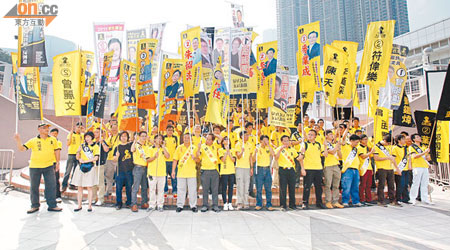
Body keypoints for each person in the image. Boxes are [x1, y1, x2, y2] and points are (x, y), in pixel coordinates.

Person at [14, 123, 63, 213]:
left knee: (51, 186)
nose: (47, 130)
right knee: (34, 187)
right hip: (35, 167)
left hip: (49, 166)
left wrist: (57, 163)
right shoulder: (33, 141)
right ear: (39, 129)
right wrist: (18, 140)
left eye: (48, 128)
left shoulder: (53, 140)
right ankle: (35, 205)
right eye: (44, 128)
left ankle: (52, 205)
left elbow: (57, 151)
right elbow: (22, 149)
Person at [72, 131, 100, 212]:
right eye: (86, 137)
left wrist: (86, 161)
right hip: (81, 167)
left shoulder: (95, 146)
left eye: (88, 137)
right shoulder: (82, 145)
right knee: (79, 187)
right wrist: (78, 154)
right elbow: (77, 156)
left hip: (90, 167)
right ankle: (79, 205)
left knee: (89, 187)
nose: (87, 138)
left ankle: (90, 206)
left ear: (92, 137)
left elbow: (96, 158)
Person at [299, 129, 327, 209]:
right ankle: (305, 203)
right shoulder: (304, 145)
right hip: (308, 168)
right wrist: (302, 168)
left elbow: (325, 154)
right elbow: (300, 158)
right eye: (309, 134)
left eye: (312, 134)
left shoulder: (318, 144)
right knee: (307, 186)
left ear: (315, 136)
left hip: (318, 168)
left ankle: (319, 203)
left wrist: (325, 146)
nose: (310, 136)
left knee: (318, 187)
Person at [172, 133, 199, 213]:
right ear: (183, 138)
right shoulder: (179, 147)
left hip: (191, 173)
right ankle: (180, 205)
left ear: (191, 139)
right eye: (185, 137)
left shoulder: (194, 148)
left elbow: (199, 160)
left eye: (188, 138)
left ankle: (193, 205)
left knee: (192, 190)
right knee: (181, 190)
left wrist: (195, 158)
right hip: (181, 173)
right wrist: (173, 170)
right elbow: (175, 160)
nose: (186, 139)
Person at [275, 135, 300, 211]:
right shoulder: (279, 149)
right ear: (282, 141)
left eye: (288, 140)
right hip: (283, 170)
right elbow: (276, 158)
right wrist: (280, 150)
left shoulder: (292, 149)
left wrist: (302, 153)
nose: (286, 142)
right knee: (283, 188)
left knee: (292, 187)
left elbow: (298, 158)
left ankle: (292, 205)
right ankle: (283, 205)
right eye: (285, 141)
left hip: (291, 170)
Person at [374, 134, 399, 206]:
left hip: (390, 168)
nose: (388, 144)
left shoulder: (389, 147)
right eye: (388, 143)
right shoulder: (376, 147)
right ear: (384, 140)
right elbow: (376, 158)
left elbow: (393, 158)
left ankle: (392, 200)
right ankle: (380, 201)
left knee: (391, 185)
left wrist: (396, 168)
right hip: (381, 168)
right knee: (381, 185)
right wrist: (387, 158)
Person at [197, 134, 221, 212]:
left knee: (215, 189)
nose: (207, 140)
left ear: (212, 140)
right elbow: (198, 156)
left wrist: (214, 134)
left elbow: (220, 138)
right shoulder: (203, 146)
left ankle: (215, 205)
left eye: (209, 139)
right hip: (205, 170)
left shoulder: (215, 145)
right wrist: (198, 148)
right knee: (205, 189)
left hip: (214, 170)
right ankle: (205, 205)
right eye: (207, 139)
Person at [147, 134, 170, 212]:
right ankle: (152, 205)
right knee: (152, 189)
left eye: (161, 139)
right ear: (154, 140)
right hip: (152, 172)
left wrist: (163, 147)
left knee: (161, 190)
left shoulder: (164, 149)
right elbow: (147, 159)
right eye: (157, 138)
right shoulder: (150, 149)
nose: (159, 140)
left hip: (161, 172)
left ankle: (160, 205)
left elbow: (168, 156)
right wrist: (154, 157)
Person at [409, 134, 433, 205]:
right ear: (413, 139)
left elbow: (427, 158)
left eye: (419, 137)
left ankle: (425, 199)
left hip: (424, 166)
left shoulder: (423, 147)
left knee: (424, 183)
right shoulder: (412, 147)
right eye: (417, 137)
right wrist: (424, 152)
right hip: (417, 166)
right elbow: (414, 156)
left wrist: (428, 154)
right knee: (416, 183)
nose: (419, 138)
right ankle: (412, 199)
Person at [252, 135, 274, 210]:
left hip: (267, 169)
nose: (265, 142)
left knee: (268, 188)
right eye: (264, 140)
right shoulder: (257, 148)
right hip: (259, 169)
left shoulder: (268, 148)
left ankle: (269, 204)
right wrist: (255, 153)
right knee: (259, 188)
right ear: (260, 141)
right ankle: (259, 204)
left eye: (266, 140)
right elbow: (253, 160)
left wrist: (268, 145)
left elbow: (273, 154)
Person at [130, 131, 150, 212]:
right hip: (138, 168)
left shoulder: (146, 146)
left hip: (145, 168)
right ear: (139, 136)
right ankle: (134, 204)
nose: (144, 138)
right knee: (136, 187)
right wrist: (135, 140)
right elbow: (132, 150)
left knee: (144, 187)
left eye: (145, 136)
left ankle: (144, 202)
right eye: (142, 136)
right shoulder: (136, 145)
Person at [323, 130, 343, 208]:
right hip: (328, 166)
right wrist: (336, 146)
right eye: (330, 134)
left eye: (332, 134)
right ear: (326, 136)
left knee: (336, 185)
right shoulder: (325, 144)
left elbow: (341, 156)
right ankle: (328, 201)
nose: (332, 135)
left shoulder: (334, 144)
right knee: (328, 184)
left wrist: (338, 148)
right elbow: (331, 152)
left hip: (336, 165)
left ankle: (335, 201)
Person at [114, 131, 134, 210]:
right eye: (122, 136)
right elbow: (114, 160)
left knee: (129, 187)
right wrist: (117, 156)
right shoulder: (117, 147)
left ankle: (128, 202)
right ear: (120, 138)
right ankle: (119, 203)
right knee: (118, 188)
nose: (124, 137)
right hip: (120, 170)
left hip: (129, 170)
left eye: (125, 136)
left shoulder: (130, 146)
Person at [340, 134, 362, 207]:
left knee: (355, 186)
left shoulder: (356, 149)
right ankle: (345, 201)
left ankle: (355, 201)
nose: (357, 144)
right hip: (348, 169)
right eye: (356, 142)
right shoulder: (345, 146)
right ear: (351, 141)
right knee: (346, 186)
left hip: (356, 169)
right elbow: (343, 139)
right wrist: (347, 128)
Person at [235, 131, 254, 210]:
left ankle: (246, 202)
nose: (247, 136)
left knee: (246, 185)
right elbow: (238, 156)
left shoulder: (250, 145)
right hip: (239, 167)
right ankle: (239, 202)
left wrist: (251, 167)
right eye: (245, 135)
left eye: (247, 135)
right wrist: (242, 151)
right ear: (241, 136)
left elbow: (250, 157)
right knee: (240, 185)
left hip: (247, 167)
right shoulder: (238, 144)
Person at [62, 122, 83, 193]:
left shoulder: (82, 136)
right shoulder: (70, 134)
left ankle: (72, 184)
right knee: (68, 171)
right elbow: (68, 144)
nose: (79, 129)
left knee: (75, 171)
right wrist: (71, 135)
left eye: (80, 128)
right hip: (71, 154)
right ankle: (64, 185)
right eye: (78, 127)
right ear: (75, 127)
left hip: (78, 155)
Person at [92, 127, 109, 206]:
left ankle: (100, 199)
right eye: (95, 132)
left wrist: (102, 142)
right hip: (92, 164)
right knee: (93, 183)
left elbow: (106, 150)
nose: (96, 134)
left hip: (100, 164)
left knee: (100, 182)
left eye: (98, 132)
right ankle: (92, 198)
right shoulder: (92, 142)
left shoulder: (103, 142)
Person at [392, 134, 411, 204]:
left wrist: (409, 166)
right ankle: (398, 199)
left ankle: (406, 198)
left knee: (406, 184)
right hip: (399, 169)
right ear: (399, 140)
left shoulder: (405, 148)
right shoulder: (395, 148)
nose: (404, 140)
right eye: (403, 139)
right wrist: (397, 168)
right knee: (400, 185)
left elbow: (408, 158)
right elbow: (393, 159)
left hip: (405, 169)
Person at [219, 136, 236, 211]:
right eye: (225, 139)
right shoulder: (220, 150)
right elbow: (223, 159)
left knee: (231, 188)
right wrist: (226, 151)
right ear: (222, 142)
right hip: (224, 172)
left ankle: (230, 203)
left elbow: (233, 160)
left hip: (231, 171)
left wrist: (229, 152)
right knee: (224, 188)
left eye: (228, 139)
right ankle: (225, 203)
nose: (226, 141)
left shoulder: (233, 150)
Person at [358, 134, 375, 205]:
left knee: (369, 185)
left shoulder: (367, 148)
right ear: (361, 140)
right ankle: (361, 199)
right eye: (364, 139)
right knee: (363, 185)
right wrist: (370, 152)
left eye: (366, 139)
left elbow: (370, 157)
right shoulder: (359, 147)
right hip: (363, 168)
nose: (366, 141)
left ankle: (368, 199)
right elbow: (363, 156)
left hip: (369, 167)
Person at [104, 124, 120, 198]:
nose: (114, 130)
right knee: (108, 176)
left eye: (115, 128)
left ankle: (118, 193)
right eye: (112, 128)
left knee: (118, 176)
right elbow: (106, 146)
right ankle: (108, 191)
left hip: (118, 159)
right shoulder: (110, 138)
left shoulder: (120, 137)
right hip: (109, 158)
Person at [164, 125, 179, 197]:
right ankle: (165, 190)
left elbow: (177, 148)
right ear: (166, 131)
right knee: (164, 176)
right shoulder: (163, 138)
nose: (170, 131)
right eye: (168, 130)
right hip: (164, 161)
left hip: (173, 161)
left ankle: (175, 190)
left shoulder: (175, 138)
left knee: (174, 176)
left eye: (171, 130)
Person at [49, 128, 63, 203]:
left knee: (56, 179)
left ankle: (57, 196)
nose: (54, 135)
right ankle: (47, 195)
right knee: (47, 180)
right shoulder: (47, 141)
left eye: (56, 133)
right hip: (47, 162)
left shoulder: (58, 142)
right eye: (53, 133)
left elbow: (58, 152)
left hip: (54, 162)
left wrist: (58, 163)